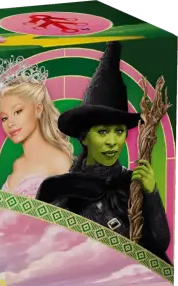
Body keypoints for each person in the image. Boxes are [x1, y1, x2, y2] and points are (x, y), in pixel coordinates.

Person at [36, 42, 171, 263]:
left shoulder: (133, 183)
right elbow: (48, 251)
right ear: (84, 137)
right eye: (102, 132)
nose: (112, 142)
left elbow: (160, 244)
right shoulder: (58, 190)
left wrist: (151, 193)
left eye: (119, 131)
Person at [0, 56, 73, 197]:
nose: (10, 123)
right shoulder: (17, 164)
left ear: (38, 109)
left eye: (18, 111)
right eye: (4, 118)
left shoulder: (59, 161)